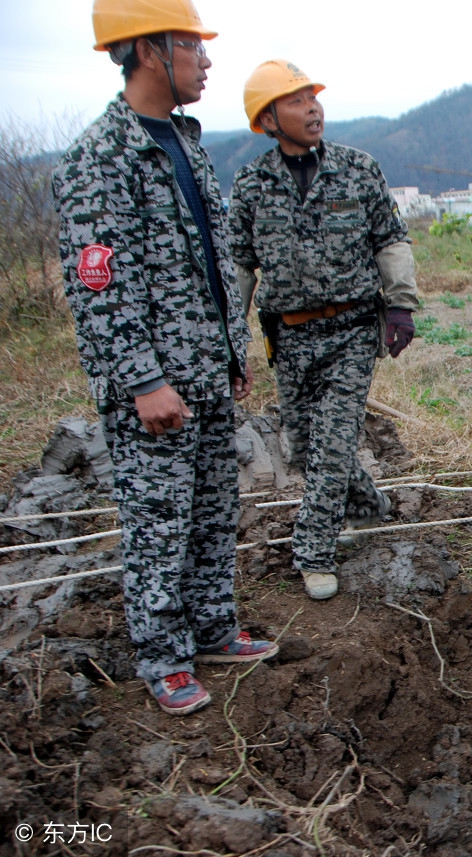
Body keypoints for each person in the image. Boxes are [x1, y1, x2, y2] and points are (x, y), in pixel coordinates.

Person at [52, 0, 278, 717]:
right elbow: (100, 285)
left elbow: (212, 265)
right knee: (159, 520)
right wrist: (144, 380)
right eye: (194, 47)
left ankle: (211, 626)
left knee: (214, 510)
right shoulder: (101, 158)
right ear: (150, 50)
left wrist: (231, 353)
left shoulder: (184, 139)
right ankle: (163, 655)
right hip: (153, 388)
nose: (208, 61)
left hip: (205, 371)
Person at [230, 60, 419, 601]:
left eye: (313, 97)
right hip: (288, 338)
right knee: (307, 445)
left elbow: (391, 239)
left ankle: (312, 550)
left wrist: (400, 306)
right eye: (296, 101)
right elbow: (240, 265)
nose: (312, 108)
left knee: (336, 440)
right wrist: (228, 338)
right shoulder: (250, 183)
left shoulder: (359, 169)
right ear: (268, 118)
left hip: (353, 331)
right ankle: (368, 506)